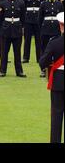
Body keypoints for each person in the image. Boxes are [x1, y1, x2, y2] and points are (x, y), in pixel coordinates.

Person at [39, 12, 64, 143]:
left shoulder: (54, 43)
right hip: (58, 82)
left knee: (56, 116)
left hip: (58, 82)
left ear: (60, 26)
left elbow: (42, 62)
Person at [0, 0, 26, 78]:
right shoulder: (2, 3)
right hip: (5, 30)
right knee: (4, 52)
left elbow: (23, 17)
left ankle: (19, 71)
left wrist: (21, 28)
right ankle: (2, 71)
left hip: (17, 29)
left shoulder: (21, 3)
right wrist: (2, 28)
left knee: (17, 52)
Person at [21, 0, 46, 64]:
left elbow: (44, 8)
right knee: (27, 39)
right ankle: (25, 57)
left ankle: (39, 58)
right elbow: (22, 8)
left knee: (38, 40)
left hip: (38, 20)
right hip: (28, 20)